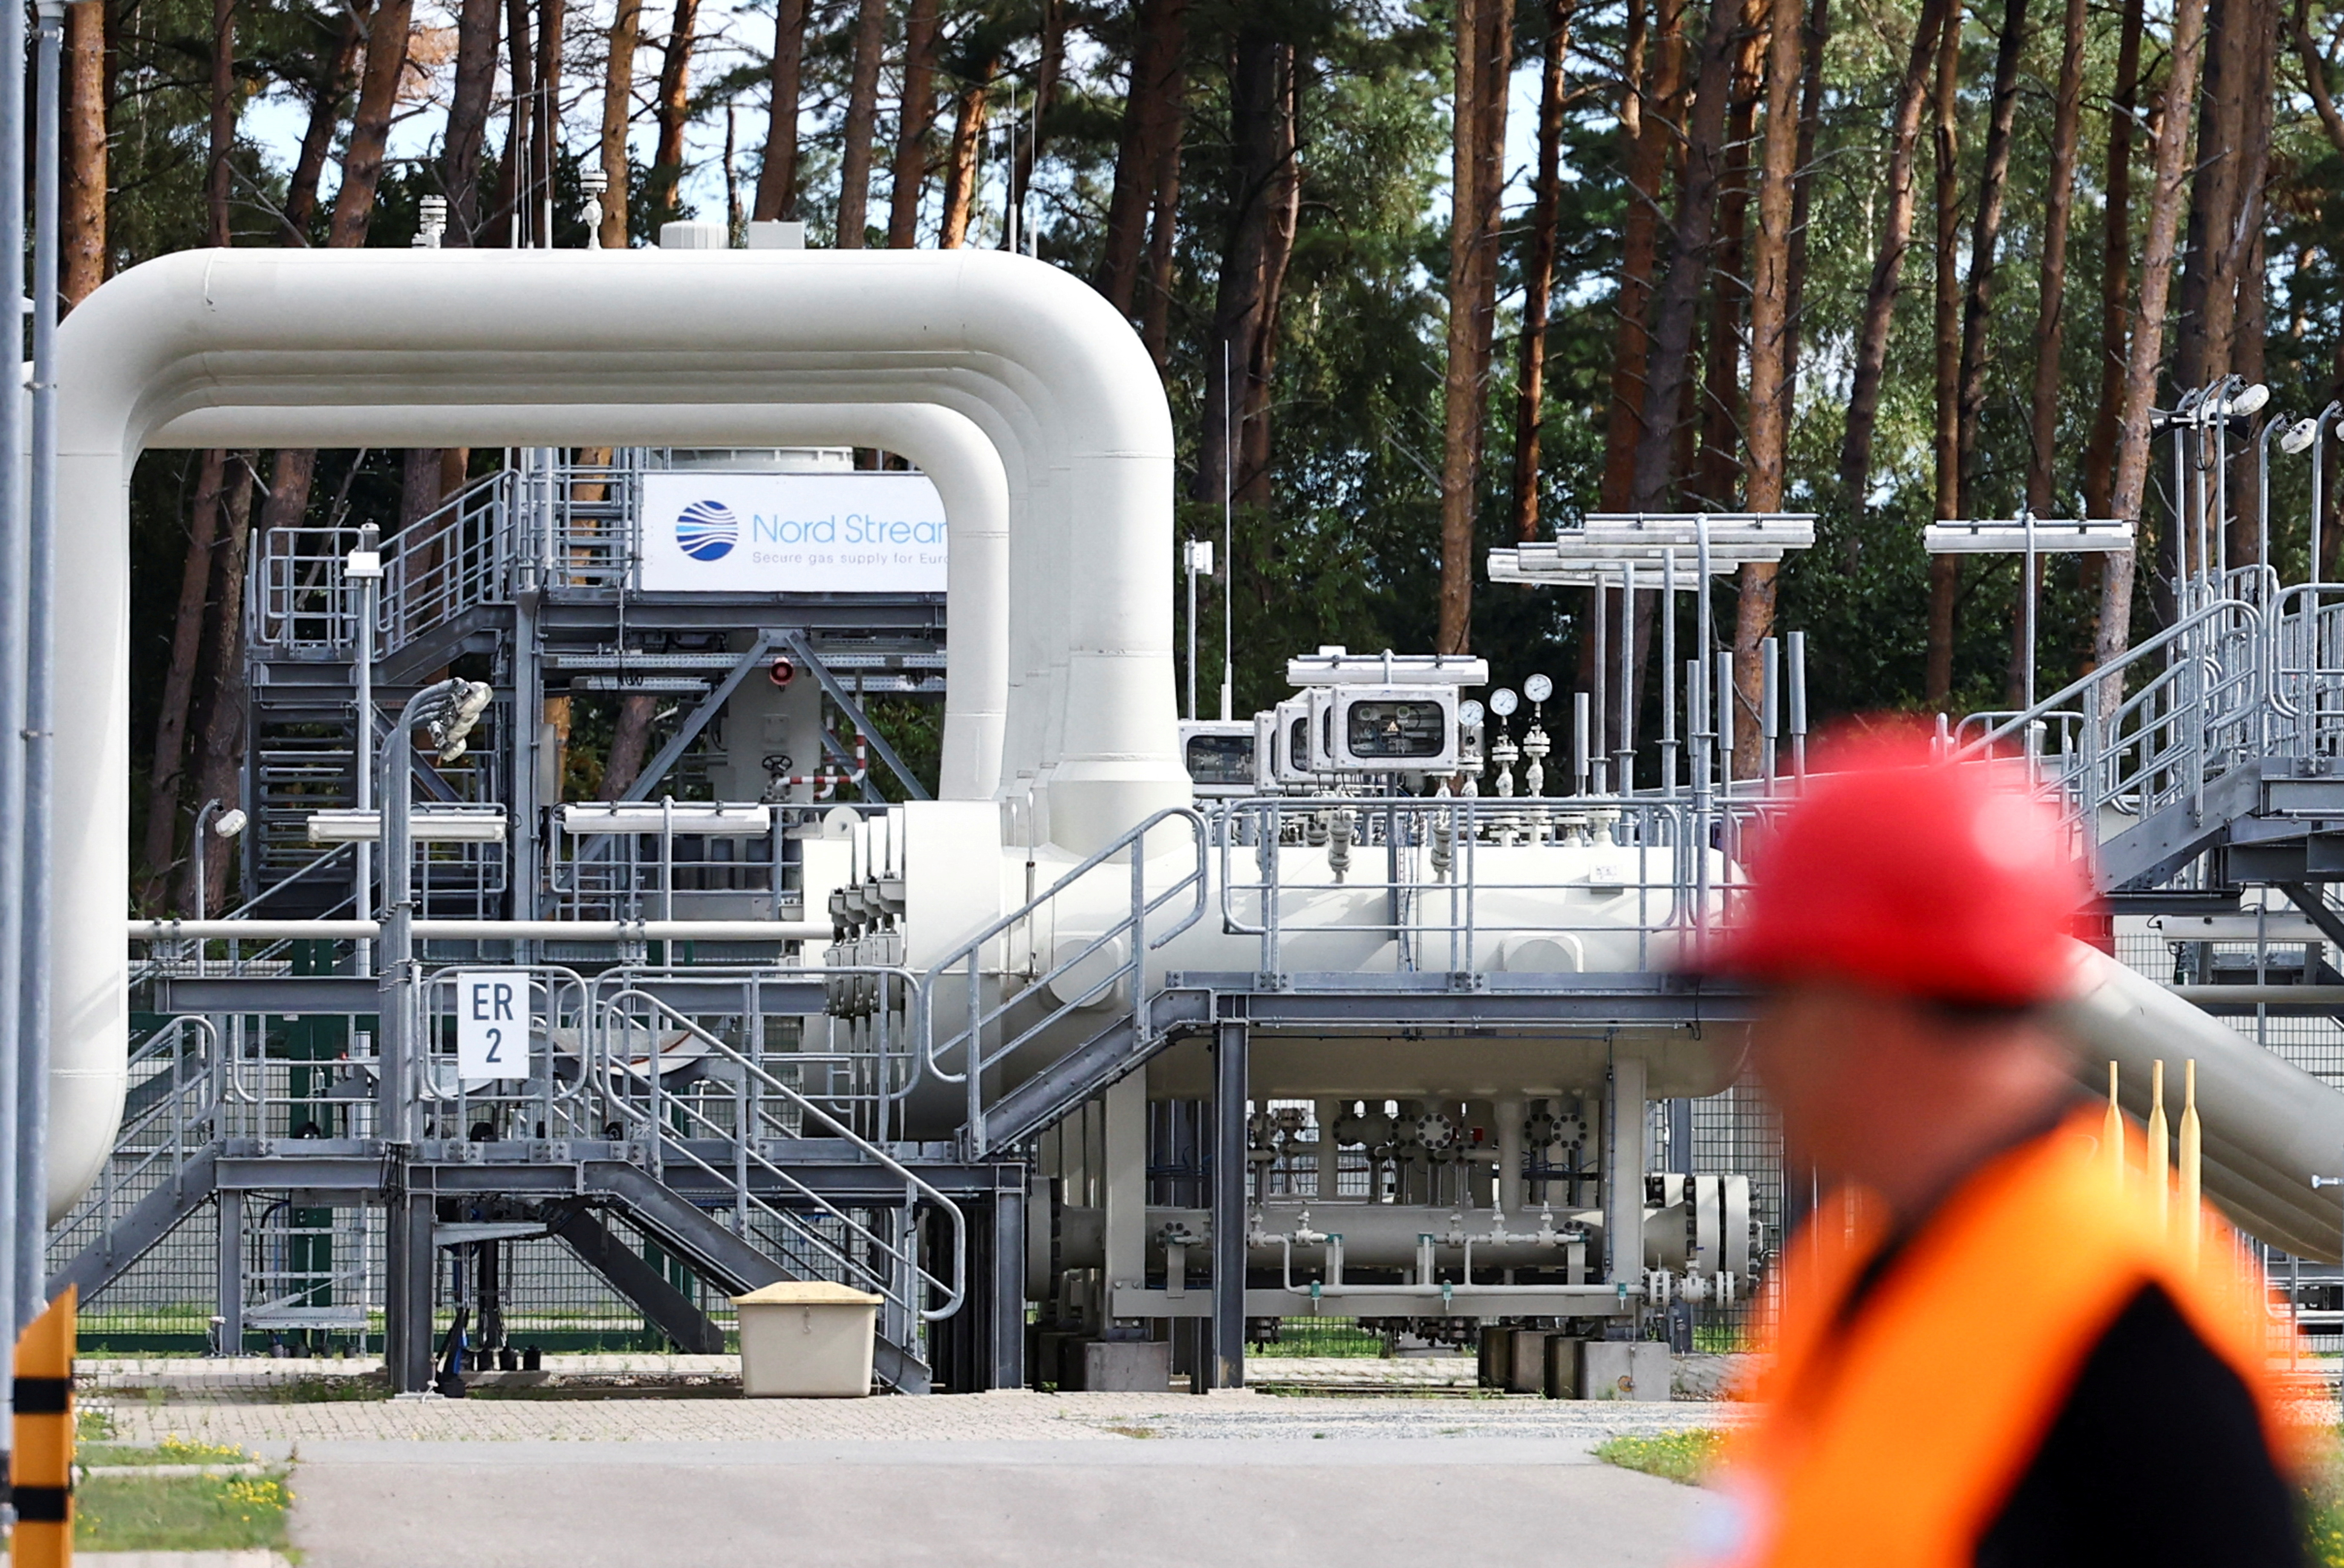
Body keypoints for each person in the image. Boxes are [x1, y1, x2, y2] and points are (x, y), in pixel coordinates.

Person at [1693, 738, 2311, 1568]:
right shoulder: (1850, 1266)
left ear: (1866, 1010)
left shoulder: (2137, 1331)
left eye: (1771, 998)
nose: (1755, 1053)